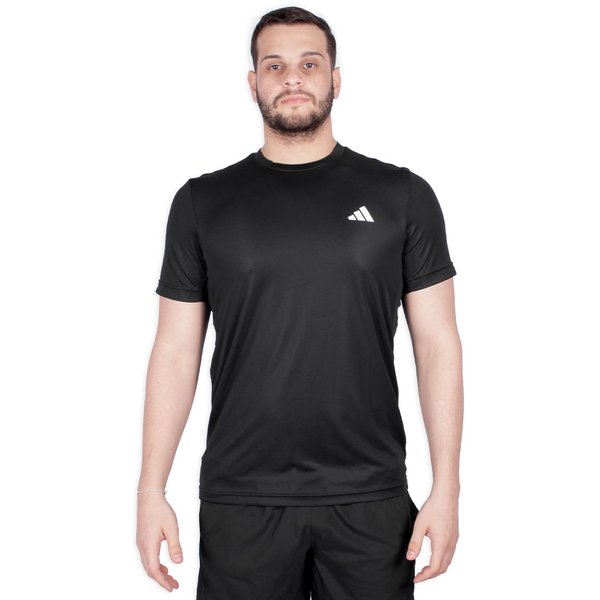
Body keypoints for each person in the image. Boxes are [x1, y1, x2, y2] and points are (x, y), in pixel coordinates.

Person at [136, 6, 463, 599]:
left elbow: (437, 344)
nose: (292, 77)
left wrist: (447, 489)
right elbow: (176, 351)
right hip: (243, 498)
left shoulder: (402, 195)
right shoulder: (202, 203)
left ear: (335, 78)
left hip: (371, 498)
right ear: (253, 82)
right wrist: (150, 489)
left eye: (310, 64)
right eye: (275, 65)